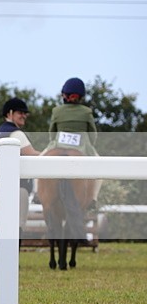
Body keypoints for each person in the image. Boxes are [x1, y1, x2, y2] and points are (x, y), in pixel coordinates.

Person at [43, 77, 101, 210]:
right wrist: (90, 146)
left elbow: (52, 133)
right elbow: (93, 134)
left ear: (65, 95)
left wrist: (53, 142)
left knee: (39, 161)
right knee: (99, 166)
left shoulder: (57, 111)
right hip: (81, 147)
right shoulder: (86, 112)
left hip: (58, 145)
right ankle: (93, 198)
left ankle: (37, 193)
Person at [0, 98, 41, 232]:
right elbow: (31, 154)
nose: (24, 116)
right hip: (17, 186)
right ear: (10, 113)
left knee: (2, 221)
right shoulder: (16, 133)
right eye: (20, 113)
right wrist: (49, 154)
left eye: (25, 113)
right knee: (18, 224)